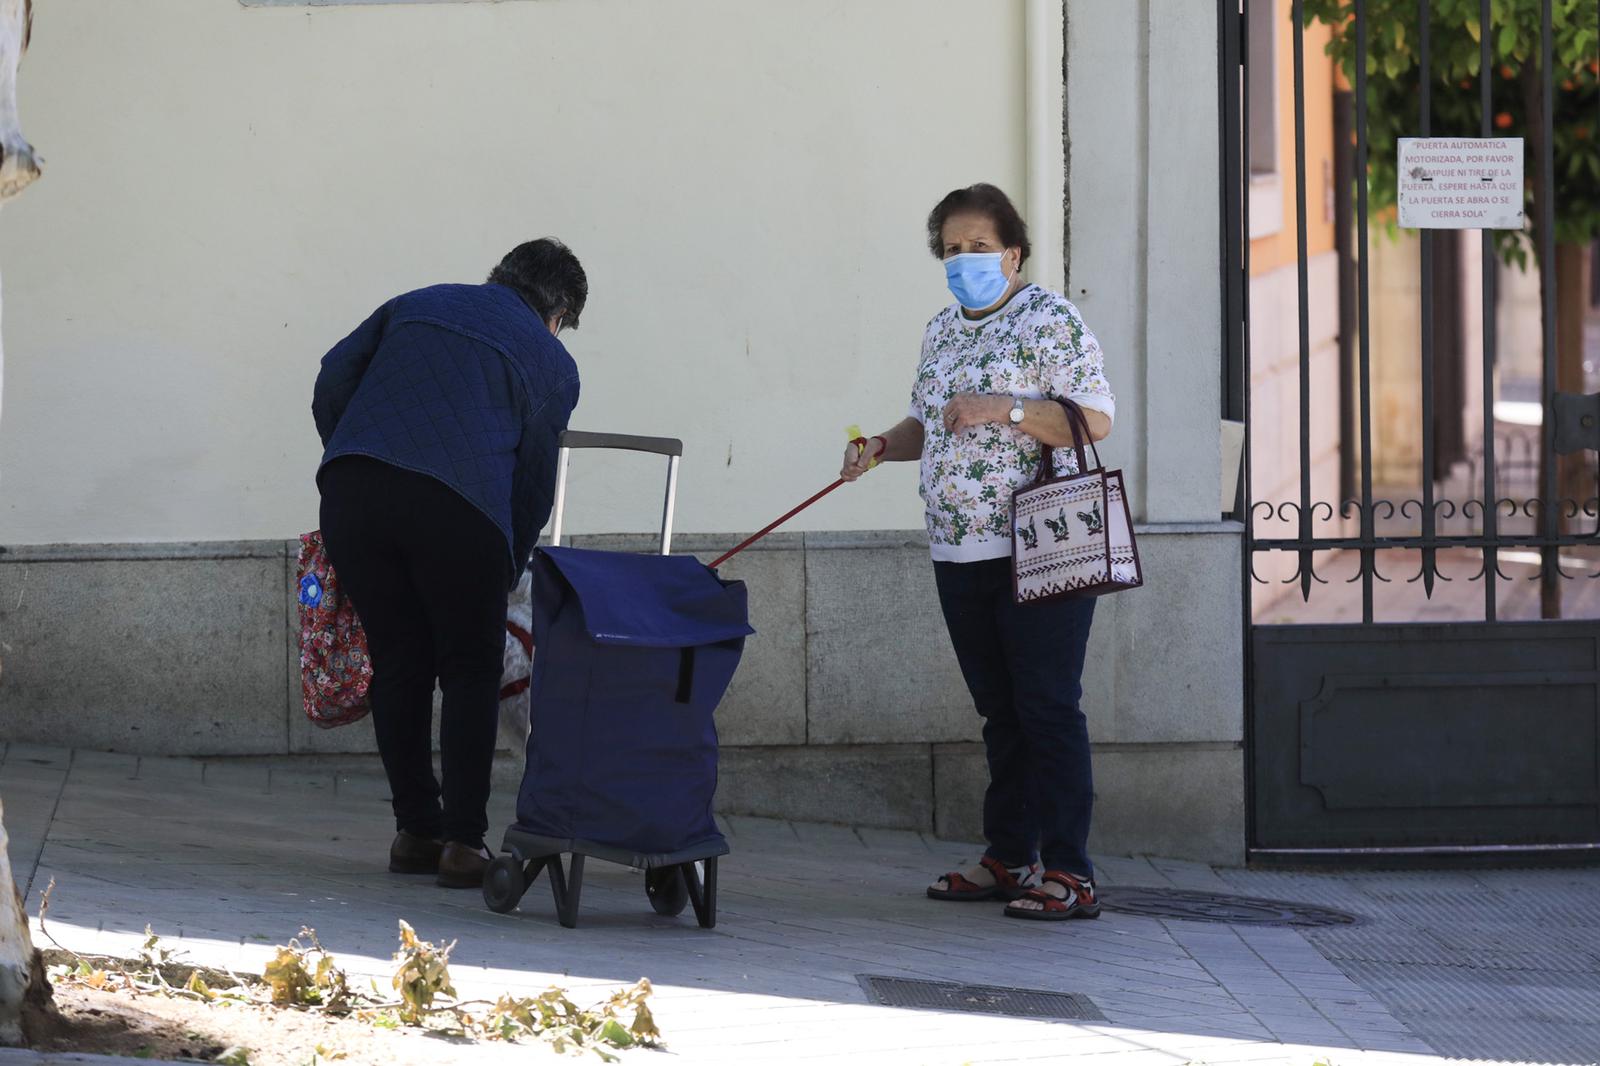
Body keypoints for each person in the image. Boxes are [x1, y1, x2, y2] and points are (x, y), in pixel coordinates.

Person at [842, 184, 1114, 921]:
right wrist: (880, 448)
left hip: (1039, 546)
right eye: (953, 250)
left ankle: (1069, 871)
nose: (965, 261)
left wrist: (1006, 408)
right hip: (958, 549)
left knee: (1048, 707)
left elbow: (1094, 417)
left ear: (1014, 252)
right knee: (1001, 712)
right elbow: (931, 425)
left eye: (979, 248)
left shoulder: (1047, 318)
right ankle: (1009, 857)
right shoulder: (941, 330)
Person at [311, 238, 585, 889]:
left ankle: (415, 832)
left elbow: (332, 378)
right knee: (469, 666)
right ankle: (463, 843)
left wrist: (353, 450)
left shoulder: (418, 304)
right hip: (462, 512)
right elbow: (533, 482)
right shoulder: (552, 361)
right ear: (559, 314)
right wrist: (511, 560)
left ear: (499, 276)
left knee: (399, 660)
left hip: (354, 495)